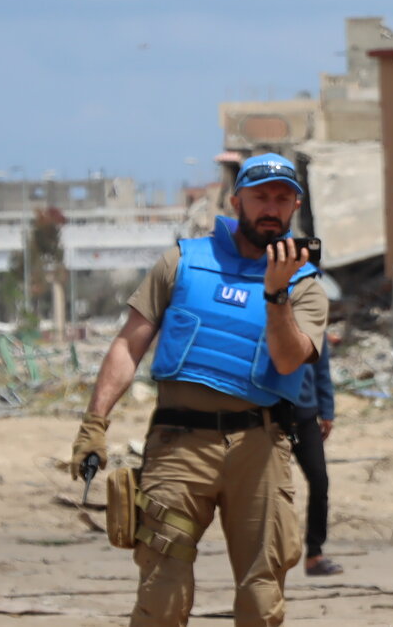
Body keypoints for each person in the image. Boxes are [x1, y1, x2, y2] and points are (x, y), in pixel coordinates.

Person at [68, 153, 329, 626]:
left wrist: (276, 295)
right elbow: (128, 345)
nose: (271, 207)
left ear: (294, 206)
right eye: (260, 196)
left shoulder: (305, 284)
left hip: (260, 446)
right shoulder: (181, 263)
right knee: (161, 591)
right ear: (237, 201)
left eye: (282, 198)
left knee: (261, 594)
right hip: (179, 446)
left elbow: (290, 358)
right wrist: (94, 424)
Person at [295, 331, 342, 576]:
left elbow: (321, 372)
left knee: (319, 480)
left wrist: (327, 411)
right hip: (270, 416)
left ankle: (314, 554)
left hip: (305, 417)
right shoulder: (265, 317)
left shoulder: (313, 327)